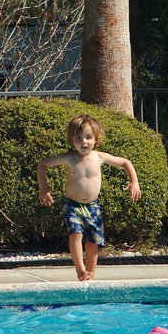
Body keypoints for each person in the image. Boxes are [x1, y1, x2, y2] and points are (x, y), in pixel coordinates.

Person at [37, 114, 141, 281]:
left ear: (96, 139)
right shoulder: (69, 158)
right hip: (72, 205)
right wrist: (43, 188)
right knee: (75, 234)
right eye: (78, 138)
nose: (84, 142)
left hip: (93, 206)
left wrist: (134, 182)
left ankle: (90, 275)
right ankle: (80, 269)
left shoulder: (99, 157)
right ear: (72, 140)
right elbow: (42, 164)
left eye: (88, 137)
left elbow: (125, 162)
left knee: (93, 243)